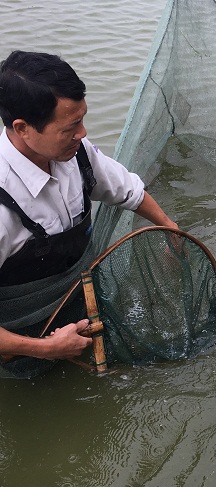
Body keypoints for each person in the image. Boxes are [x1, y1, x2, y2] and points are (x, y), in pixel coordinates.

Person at [0, 50, 178, 367]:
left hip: (79, 310)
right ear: (23, 128)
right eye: (70, 127)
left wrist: (170, 228)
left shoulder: (76, 154)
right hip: (18, 347)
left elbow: (128, 191)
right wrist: (44, 348)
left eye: (82, 119)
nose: (82, 134)